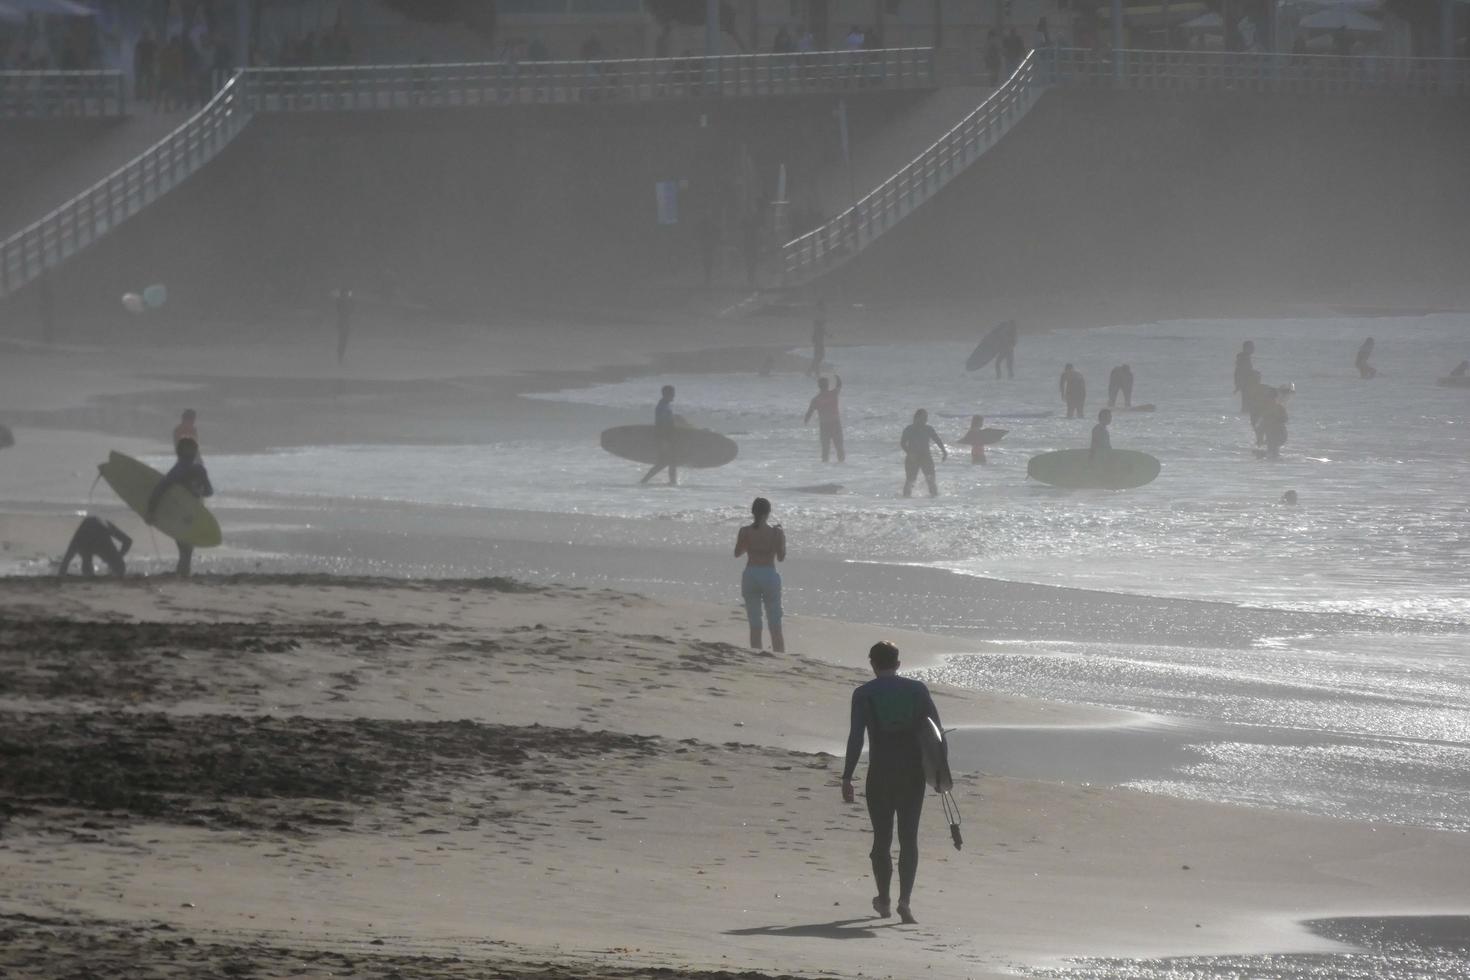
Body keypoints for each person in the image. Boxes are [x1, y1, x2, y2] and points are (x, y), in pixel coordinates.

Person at [840, 640, 941, 926]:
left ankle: (883, 899)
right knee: (909, 839)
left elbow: (856, 738)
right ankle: (904, 902)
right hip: (912, 774)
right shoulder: (917, 690)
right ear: (898, 664)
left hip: (881, 773)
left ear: (872, 664)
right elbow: (936, 733)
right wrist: (939, 775)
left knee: (881, 839)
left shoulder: (863, 694)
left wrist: (847, 776)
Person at [146, 437, 214, 576]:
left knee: (185, 550)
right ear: (195, 452)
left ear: (178, 453)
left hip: (178, 515)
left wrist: (151, 511)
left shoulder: (178, 470)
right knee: (187, 550)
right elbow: (209, 491)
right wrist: (198, 490)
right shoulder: (199, 470)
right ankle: (183, 576)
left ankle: (182, 575)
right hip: (192, 514)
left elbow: (160, 489)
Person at [734, 497, 786, 652]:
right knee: (774, 621)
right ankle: (779, 655)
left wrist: (750, 543)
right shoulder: (776, 532)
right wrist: (781, 539)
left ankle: (756, 652)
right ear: (768, 513)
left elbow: (737, 553)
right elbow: (781, 557)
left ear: (753, 512)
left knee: (755, 621)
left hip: (751, 574)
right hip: (768, 574)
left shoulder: (745, 531)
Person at [58, 516, 132, 576]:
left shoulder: (81, 539)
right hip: (95, 537)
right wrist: (119, 555)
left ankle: (89, 574)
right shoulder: (82, 539)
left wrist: (119, 555)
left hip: (93, 535)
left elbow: (66, 561)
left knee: (86, 560)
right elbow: (128, 541)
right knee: (118, 566)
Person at [900, 409, 947, 497]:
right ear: (916, 418)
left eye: (926, 418)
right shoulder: (909, 429)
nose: (925, 420)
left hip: (926, 457)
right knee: (910, 480)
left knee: (931, 480)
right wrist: (910, 453)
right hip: (912, 458)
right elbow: (902, 443)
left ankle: (934, 503)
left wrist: (944, 451)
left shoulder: (928, 428)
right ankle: (905, 502)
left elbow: (937, 440)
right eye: (923, 418)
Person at [640, 385, 679, 485]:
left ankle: (672, 482)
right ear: (666, 394)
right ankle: (644, 481)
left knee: (669, 461)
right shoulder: (662, 407)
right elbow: (662, 424)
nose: (674, 396)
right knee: (667, 461)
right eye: (672, 394)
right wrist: (664, 440)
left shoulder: (664, 405)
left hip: (666, 437)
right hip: (664, 437)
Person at [804, 374, 845, 463]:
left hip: (824, 425)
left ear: (819, 386)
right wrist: (837, 377)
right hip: (835, 423)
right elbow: (839, 385)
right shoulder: (833, 393)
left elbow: (809, 413)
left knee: (825, 449)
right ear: (827, 385)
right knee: (839, 447)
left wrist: (805, 422)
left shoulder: (816, 399)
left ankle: (824, 470)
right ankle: (842, 467)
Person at [1255, 389, 1288, 459]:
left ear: (1275, 398)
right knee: (1271, 449)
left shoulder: (1280, 408)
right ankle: (1268, 457)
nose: (1268, 400)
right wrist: (1259, 438)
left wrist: (1275, 419)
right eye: (1268, 398)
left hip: (1279, 433)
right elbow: (1262, 424)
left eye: (1270, 398)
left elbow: (1285, 419)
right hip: (1270, 432)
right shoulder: (1266, 408)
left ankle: (1271, 458)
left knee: (1273, 448)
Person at [807, 302, 829, 376]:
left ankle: (812, 372)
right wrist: (828, 335)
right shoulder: (819, 315)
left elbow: (819, 327)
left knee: (818, 356)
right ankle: (813, 372)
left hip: (818, 339)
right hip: (818, 340)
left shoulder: (819, 315)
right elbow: (819, 327)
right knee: (819, 356)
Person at [1234, 341, 1255, 412]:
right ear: (1246, 348)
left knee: (1247, 403)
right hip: (1246, 384)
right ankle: (1244, 416)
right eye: (1251, 347)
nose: (1253, 349)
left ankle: (1244, 417)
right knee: (1246, 403)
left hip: (1246, 383)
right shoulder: (1244, 358)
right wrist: (1239, 384)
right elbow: (1240, 371)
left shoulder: (1244, 357)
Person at [335, 288, 353, 364]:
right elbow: (344, 313)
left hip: (345, 323)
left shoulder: (343, 302)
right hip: (343, 324)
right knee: (342, 341)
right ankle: (340, 358)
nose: (348, 295)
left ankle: (341, 357)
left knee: (343, 341)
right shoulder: (343, 302)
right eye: (347, 293)